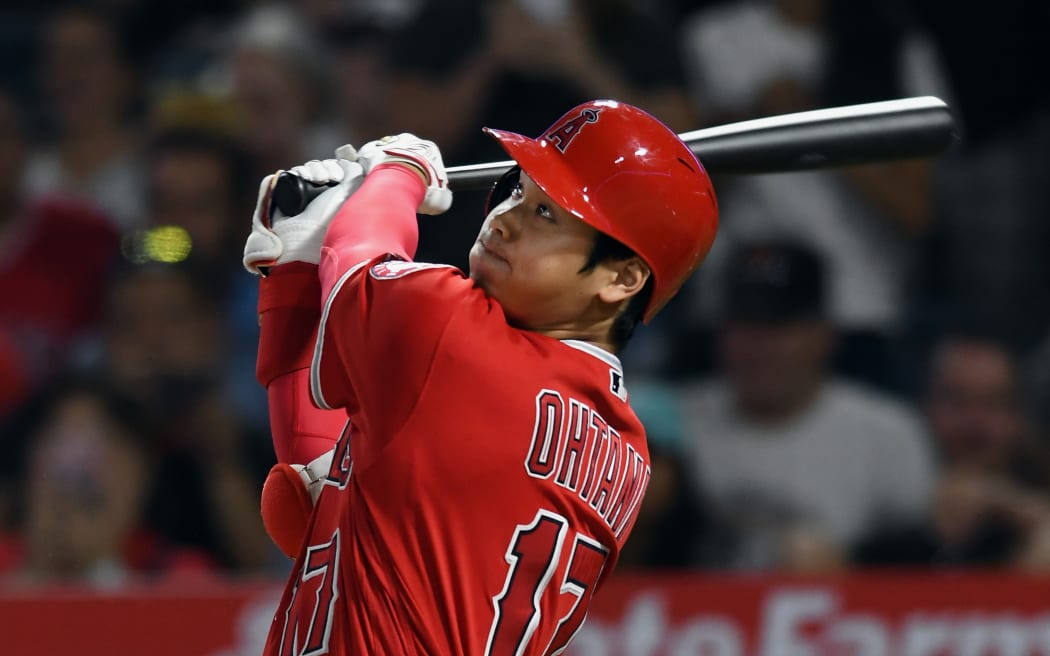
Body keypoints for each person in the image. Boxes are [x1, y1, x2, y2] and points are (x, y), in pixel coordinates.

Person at [241, 100, 717, 653]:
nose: (507, 218)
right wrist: (298, 269)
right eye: (519, 189)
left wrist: (398, 170)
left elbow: (357, 253)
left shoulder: (459, 340)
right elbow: (332, 507)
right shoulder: (626, 447)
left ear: (621, 277)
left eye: (547, 215)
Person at [678, 241, 934, 571]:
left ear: (824, 335)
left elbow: (926, 565)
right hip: (691, 617)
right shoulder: (671, 423)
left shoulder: (887, 434)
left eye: (778, 327)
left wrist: (850, 563)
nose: (758, 346)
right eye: (745, 324)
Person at [853, 331, 1050, 569]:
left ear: (1019, 416)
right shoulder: (887, 507)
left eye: (993, 402)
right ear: (925, 406)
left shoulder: (1036, 511)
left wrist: (1012, 508)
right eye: (956, 401)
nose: (975, 422)